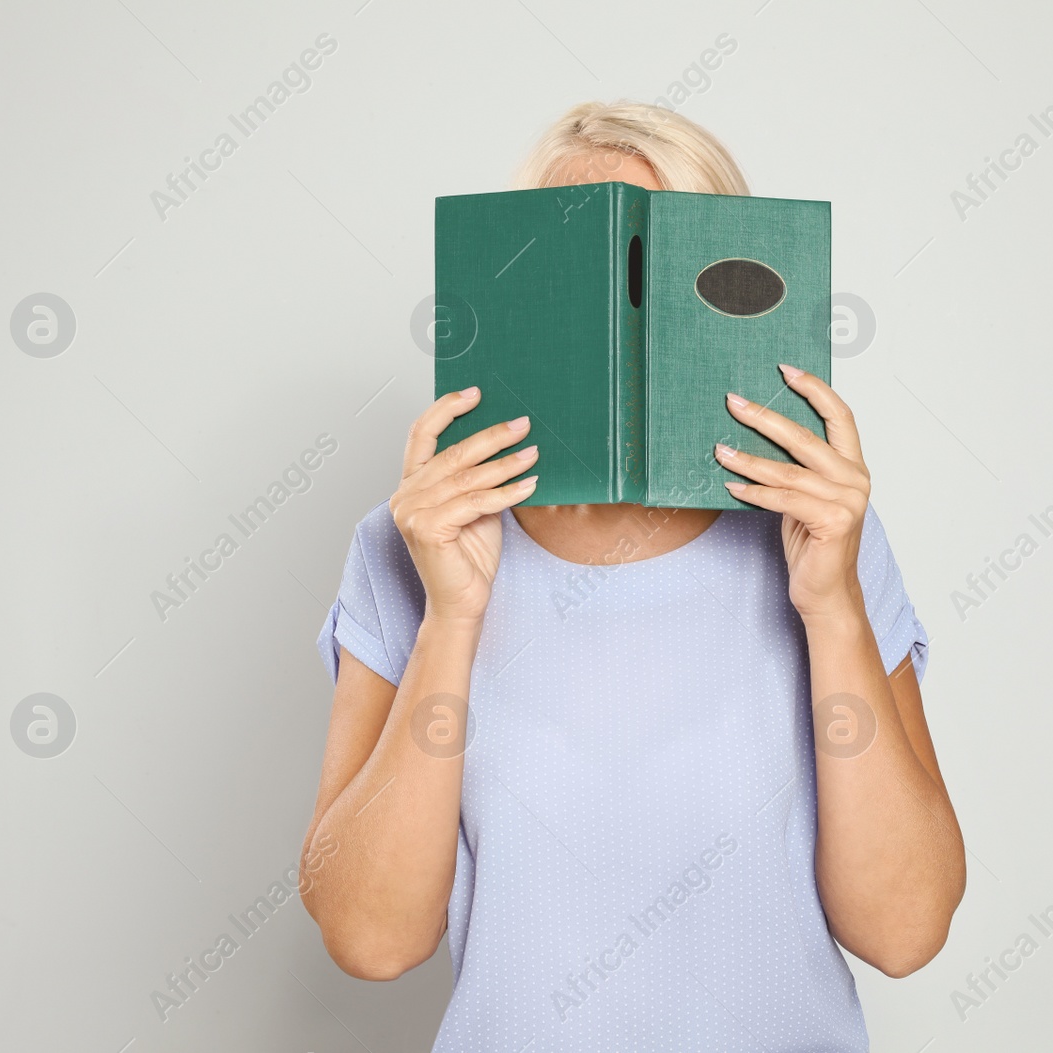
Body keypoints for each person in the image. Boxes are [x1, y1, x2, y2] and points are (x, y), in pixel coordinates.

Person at [299, 100, 965, 1052]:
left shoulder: (822, 544)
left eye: (655, 275)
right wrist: (453, 615)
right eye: (574, 274)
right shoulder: (404, 545)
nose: (618, 314)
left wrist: (833, 604)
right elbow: (370, 938)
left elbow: (904, 931)